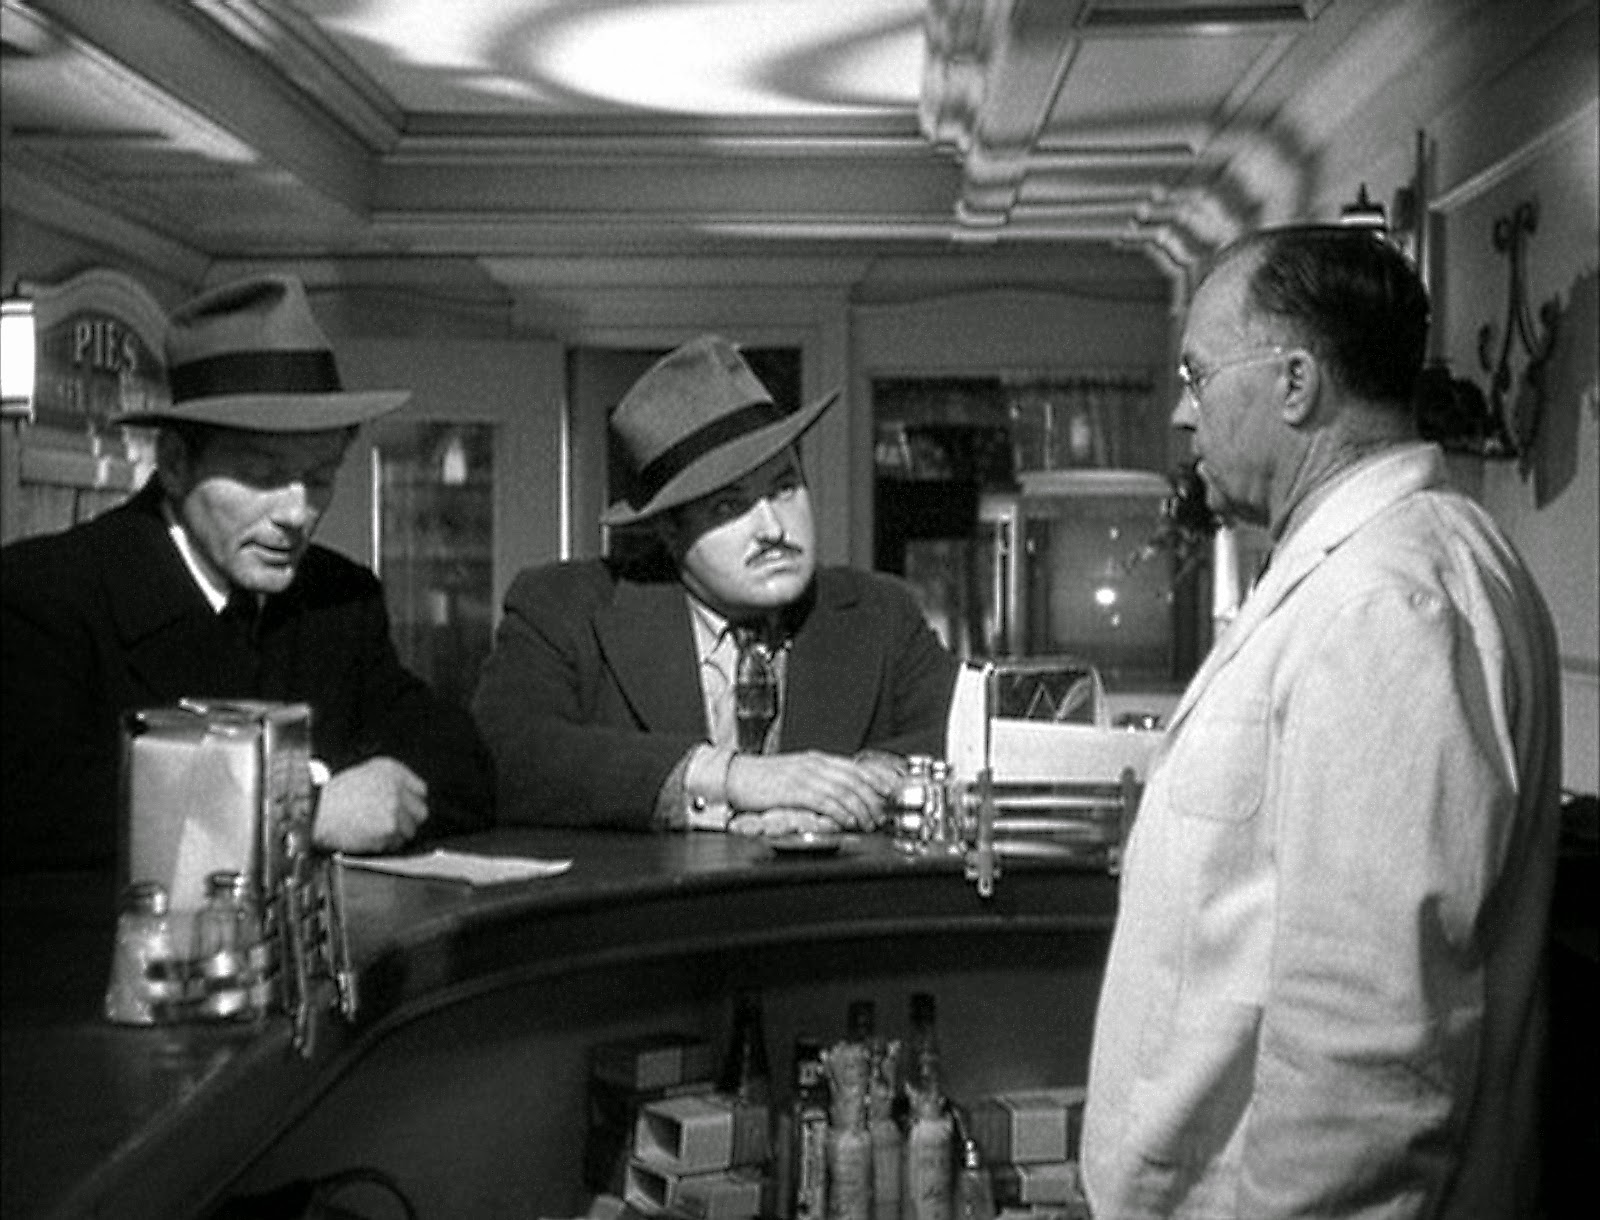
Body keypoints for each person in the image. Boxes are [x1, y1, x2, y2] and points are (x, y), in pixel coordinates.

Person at [1079, 226, 1562, 1217]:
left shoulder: (1385, 606)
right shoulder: (1365, 570)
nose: (1180, 412)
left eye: (1197, 376)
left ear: (1295, 382)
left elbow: (1367, 1044)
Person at [1, 274, 494, 872]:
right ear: (175, 464)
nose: (297, 513)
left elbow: (459, 762)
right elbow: (36, 811)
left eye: (319, 477)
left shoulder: (339, 600)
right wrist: (300, 812)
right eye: (263, 476)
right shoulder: (45, 596)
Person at [472, 334, 960, 836]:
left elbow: (973, 733)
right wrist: (730, 778)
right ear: (669, 529)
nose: (773, 529)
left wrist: (862, 786)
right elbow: (504, 754)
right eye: (729, 505)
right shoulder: (565, 608)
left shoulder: (881, 613)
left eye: (784, 488)